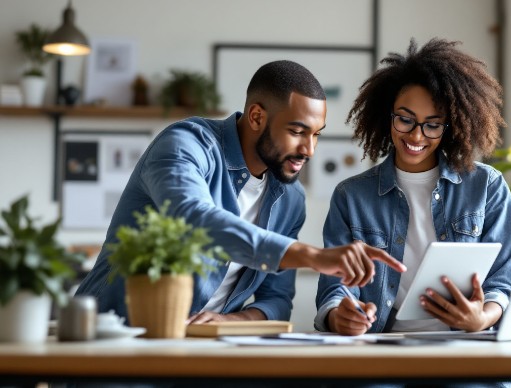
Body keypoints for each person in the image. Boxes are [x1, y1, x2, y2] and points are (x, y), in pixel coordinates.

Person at [76, 60, 406, 324]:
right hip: (116, 338)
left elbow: (276, 301)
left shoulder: (290, 200)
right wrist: (313, 256)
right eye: (297, 131)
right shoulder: (185, 144)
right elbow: (195, 218)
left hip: (203, 352)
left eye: (316, 134)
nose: (309, 149)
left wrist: (228, 319)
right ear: (257, 116)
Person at [315, 38, 511, 339]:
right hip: (384, 347)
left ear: (450, 125)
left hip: (465, 347)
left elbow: (506, 278)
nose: (416, 135)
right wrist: (340, 317)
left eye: (432, 124)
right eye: (405, 119)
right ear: (387, 116)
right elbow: (335, 288)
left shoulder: (486, 187)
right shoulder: (351, 197)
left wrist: (482, 317)